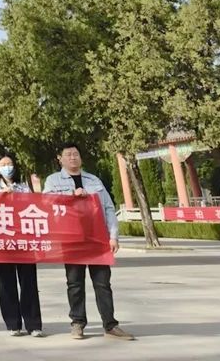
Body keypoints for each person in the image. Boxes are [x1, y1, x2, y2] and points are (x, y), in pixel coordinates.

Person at [43, 142, 135, 341]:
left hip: (97, 240)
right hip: (72, 240)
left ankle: (110, 325)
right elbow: (46, 203)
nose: (73, 157)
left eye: (76, 154)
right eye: (68, 154)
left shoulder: (93, 180)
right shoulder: (52, 181)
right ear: (60, 158)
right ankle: (77, 323)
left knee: (103, 283)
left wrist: (113, 236)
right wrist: (70, 196)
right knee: (74, 284)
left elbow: (109, 208)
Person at [0, 151, 44, 338]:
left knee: (28, 282)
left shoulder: (23, 186)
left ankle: (33, 324)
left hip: (23, 239)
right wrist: (0, 195)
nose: (7, 167)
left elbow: (33, 209)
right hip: (1, 239)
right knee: (6, 282)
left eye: (9, 164)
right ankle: (13, 324)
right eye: (3, 164)